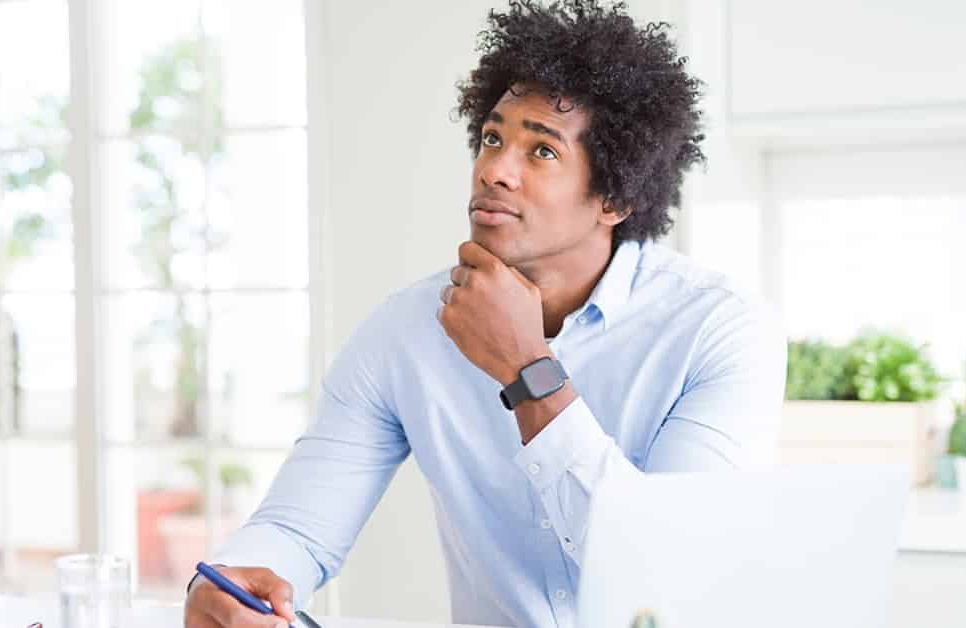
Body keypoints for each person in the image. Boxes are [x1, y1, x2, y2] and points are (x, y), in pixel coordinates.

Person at [183, 1, 786, 627]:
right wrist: (236, 582)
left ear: (617, 196)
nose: (493, 170)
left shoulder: (721, 330)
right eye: (493, 137)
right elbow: (296, 530)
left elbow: (674, 577)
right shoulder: (405, 333)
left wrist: (528, 369)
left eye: (542, 152)